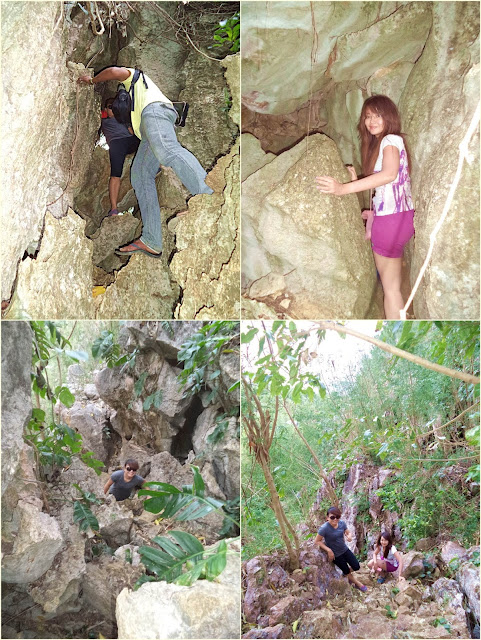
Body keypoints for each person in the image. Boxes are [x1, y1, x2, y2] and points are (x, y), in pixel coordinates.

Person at [78, 66, 213, 258]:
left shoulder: (136, 80)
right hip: (147, 129)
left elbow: (115, 72)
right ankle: (151, 240)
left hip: (156, 111)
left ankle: (206, 198)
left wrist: (91, 81)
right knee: (140, 176)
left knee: (166, 149)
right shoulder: (134, 114)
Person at [316, 95, 415, 320]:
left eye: (377, 115)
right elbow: (387, 183)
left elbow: (389, 175)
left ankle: (396, 327)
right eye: (368, 116)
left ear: (389, 116)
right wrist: (356, 181)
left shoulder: (390, 139)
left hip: (389, 222)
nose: (371, 121)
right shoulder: (389, 143)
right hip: (401, 218)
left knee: (390, 291)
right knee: (394, 287)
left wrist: (342, 189)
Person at [101, 96, 140, 217]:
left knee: (145, 139)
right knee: (115, 174)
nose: (112, 109)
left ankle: (156, 165)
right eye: (110, 107)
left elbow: (133, 133)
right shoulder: (103, 120)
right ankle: (114, 209)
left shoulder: (123, 118)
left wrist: (125, 119)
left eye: (114, 106)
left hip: (130, 140)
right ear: (106, 109)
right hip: (116, 142)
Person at [314, 506, 367, 592]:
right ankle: (358, 584)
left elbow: (347, 532)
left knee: (356, 566)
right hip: (336, 555)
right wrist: (329, 550)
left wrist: (349, 536)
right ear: (327, 518)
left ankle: (346, 574)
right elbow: (317, 541)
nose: (335, 519)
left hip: (345, 549)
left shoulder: (342, 523)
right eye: (332, 517)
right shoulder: (324, 528)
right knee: (346, 570)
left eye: (337, 517)